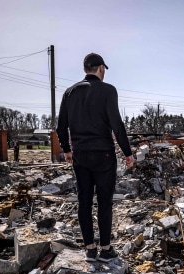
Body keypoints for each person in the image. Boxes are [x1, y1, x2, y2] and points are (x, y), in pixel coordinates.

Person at [56, 53, 135, 262]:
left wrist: (66, 149)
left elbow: (60, 125)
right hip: (104, 154)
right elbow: (116, 124)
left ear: (84, 70)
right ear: (101, 68)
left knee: (84, 201)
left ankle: (90, 249)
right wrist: (128, 152)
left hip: (80, 155)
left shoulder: (69, 92)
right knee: (104, 202)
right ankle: (106, 249)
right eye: (104, 69)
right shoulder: (108, 90)